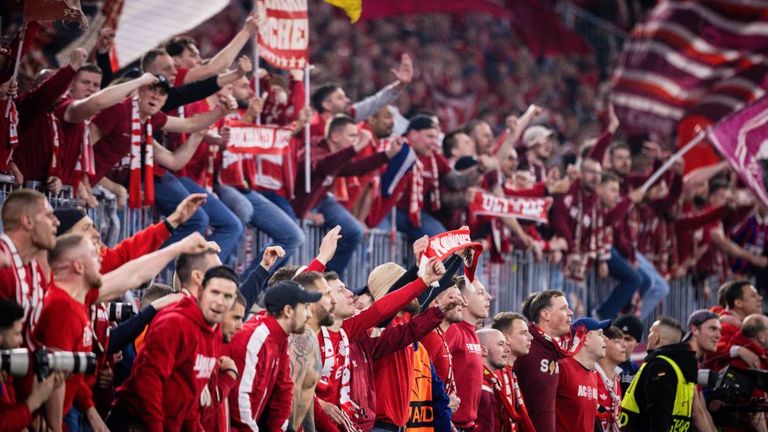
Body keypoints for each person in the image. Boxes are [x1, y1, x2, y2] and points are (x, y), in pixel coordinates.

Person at [108, 266, 240, 432]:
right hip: (136, 424)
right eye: (215, 292)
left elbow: (190, 400)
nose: (220, 301)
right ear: (201, 291)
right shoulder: (175, 323)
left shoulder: (211, 334)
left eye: (227, 296)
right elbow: (148, 384)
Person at [293, 114, 402, 277]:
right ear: (335, 137)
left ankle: (329, 277)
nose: (355, 140)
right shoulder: (314, 149)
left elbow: (356, 168)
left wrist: (387, 155)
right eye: (352, 136)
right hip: (301, 203)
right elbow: (322, 166)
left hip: (321, 200)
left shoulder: (337, 156)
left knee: (354, 230)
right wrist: (304, 213)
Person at [228, 280, 321, 431]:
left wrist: (282, 428)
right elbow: (239, 400)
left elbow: (283, 390)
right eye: (305, 308)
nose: (309, 315)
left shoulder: (280, 338)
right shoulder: (256, 337)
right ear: (288, 311)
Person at [0, 189, 59, 348]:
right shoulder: (3, 267)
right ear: (27, 221)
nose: (56, 222)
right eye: (49, 215)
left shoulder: (34, 269)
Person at [0, 299, 65, 432]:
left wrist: (46, 391)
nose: (21, 340)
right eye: (17, 334)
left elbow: (10, 415)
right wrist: (34, 401)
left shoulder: (5, 371)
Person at [619, 316, 694, 432]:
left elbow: (659, 415)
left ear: (656, 338)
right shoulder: (683, 369)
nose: (648, 336)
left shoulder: (659, 366)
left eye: (650, 332)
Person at [516, 290, 573, 432]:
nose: (570, 313)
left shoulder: (553, 348)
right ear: (546, 314)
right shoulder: (523, 343)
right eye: (563, 308)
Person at [445, 276, 491, 431]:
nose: (488, 296)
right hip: (451, 424)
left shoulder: (471, 332)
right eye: (481, 293)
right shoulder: (453, 330)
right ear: (463, 300)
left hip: (467, 425)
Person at [556, 317, 609, 432]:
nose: (606, 339)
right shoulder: (562, 368)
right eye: (600, 334)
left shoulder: (593, 375)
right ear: (586, 339)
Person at [489, 312, 535, 432]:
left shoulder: (509, 372)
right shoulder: (494, 375)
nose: (530, 337)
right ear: (506, 338)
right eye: (523, 333)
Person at [595, 326, 626, 432]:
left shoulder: (616, 381)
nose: (624, 345)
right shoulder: (592, 377)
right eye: (617, 341)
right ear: (603, 343)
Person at [612, 314, 643, 394]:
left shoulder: (637, 372)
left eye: (627, 339)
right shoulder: (596, 366)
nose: (622, 343)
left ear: (637, 343)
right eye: (618, 337)